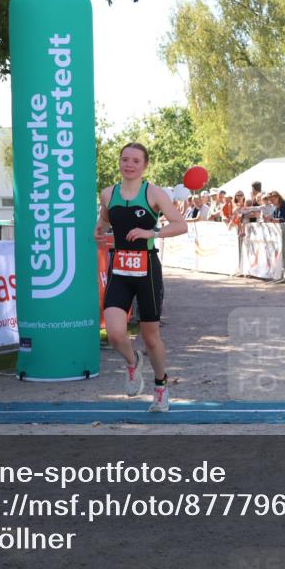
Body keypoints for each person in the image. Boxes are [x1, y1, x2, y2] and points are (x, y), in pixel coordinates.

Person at [95, 142, 187, 412]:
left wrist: (152, 233)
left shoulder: (154, 193)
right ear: (120, 163)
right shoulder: (107, 193)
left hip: (147, 270)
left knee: (150, 336)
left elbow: (180, 225)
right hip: (119, 269)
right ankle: (133, 361)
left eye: (136, 160)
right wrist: (98, 231)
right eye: (125, 159)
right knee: (113, 333)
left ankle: (160, 387)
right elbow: (104, 221)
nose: (129, 164)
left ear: (145, 165)